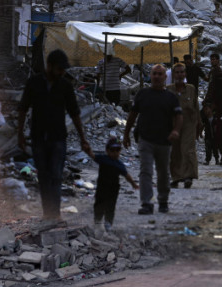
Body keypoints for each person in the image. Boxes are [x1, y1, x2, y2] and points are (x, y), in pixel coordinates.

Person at [19, 49, 92, 220]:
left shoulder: (65, 86)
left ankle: (55, 213)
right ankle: (48, 213)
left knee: (56, 175)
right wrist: (20, 135)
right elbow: (22, 109)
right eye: (59, 69)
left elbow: (75, 113)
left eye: (63, 69)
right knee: (44, 176)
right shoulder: (34, 83)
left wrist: (83, 139)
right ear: (49, 66)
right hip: (38, 137)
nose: (62, 72)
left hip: (58, 137)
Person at [123, 64, 183, 215]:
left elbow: (179, 116)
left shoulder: (171, 97)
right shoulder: (142, 94)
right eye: (154, 74)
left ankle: (163, 201)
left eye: (159, 74)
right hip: (146, 139)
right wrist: (126, 134)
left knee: (163, 173)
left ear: (164, 77)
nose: (156, 77)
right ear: (150, 75)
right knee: (146, 171)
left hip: (164, 140)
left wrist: (176, 130)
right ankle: (146, 202)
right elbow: (132, 115)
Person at [88, 138, 138, 232]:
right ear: (107, 150)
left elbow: (126, 175)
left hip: (113, 189)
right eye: (112, 150)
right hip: (102, 187)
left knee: (110, 206)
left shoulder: (119, 164)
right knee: (99, 205)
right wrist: (87, 149)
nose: (115, 153)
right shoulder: (103, 159)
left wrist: (133, 184)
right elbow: (93, 156)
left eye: (117, 150)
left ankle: (108, 222)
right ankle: (97, 221)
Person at [168, 63, 200, 189]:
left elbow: (196, 106)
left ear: (185, 74)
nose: (180, 75)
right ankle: (176, 177)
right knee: (175, 151)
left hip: (189, 123)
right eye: (177, 72)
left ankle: (188, 176)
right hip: (173, 123)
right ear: (173, 75)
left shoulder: (191, 89)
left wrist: (199, 123)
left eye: (182, 72)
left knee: (187, 149)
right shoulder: (169, 89)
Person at [205, 53, 222, 117]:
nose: (212, 61)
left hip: (217, 99)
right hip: (212, 98)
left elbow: (221, 88)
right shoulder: (212, 71)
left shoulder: (219, 72)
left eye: (214, 59)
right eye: (211, 59)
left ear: (218, 60)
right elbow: (210, 84)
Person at [200, 101, 219, 166]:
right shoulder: (205, 119)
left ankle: (217, 159)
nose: (206, 111)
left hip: (215, 136)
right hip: (208, 135)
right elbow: (203, 126)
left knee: (215, 148)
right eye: (205, 110)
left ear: (211, 109)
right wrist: (200, 133)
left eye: (207, 109)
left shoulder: (215, 117)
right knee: (208, 149)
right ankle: (207, 160)